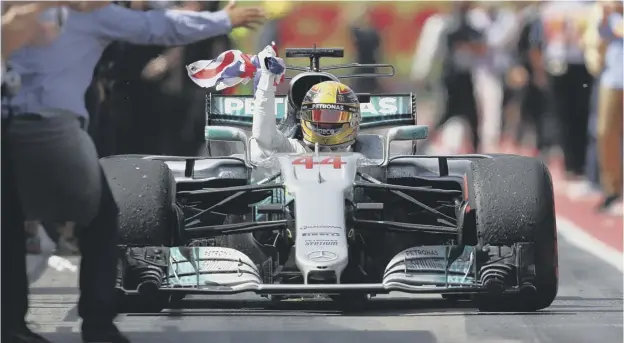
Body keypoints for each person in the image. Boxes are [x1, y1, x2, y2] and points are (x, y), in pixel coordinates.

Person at [2, 2, 264, 343]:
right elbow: (158, 26)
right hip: (48, 127)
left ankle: (11, 324)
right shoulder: (84, 17)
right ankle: (98, 323)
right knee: (101, 216)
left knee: (9, 222)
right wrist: (224, 20)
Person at [250, 46, 362, 160]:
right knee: (256, 152)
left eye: (333, 116)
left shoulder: (365, 152)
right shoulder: (297, 151)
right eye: (317, 115)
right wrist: (266, 81)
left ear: (353, 119)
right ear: (303, 117)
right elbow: (264, 138)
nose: (324, 123)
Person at [529, 0, 594, 184]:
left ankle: (580, 165)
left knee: (581, 116)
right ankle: (571, 166)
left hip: (583, 65)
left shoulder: (587, 7)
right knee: (563, 117)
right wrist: (539, 71)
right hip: (558, 66)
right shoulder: (550, 9)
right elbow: (537, 42)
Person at [595, 0, 623, 213]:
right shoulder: (610, 9)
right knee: (605, 132)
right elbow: (601, 34)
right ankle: (612, 190)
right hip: (612, 79)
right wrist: (606, 14)